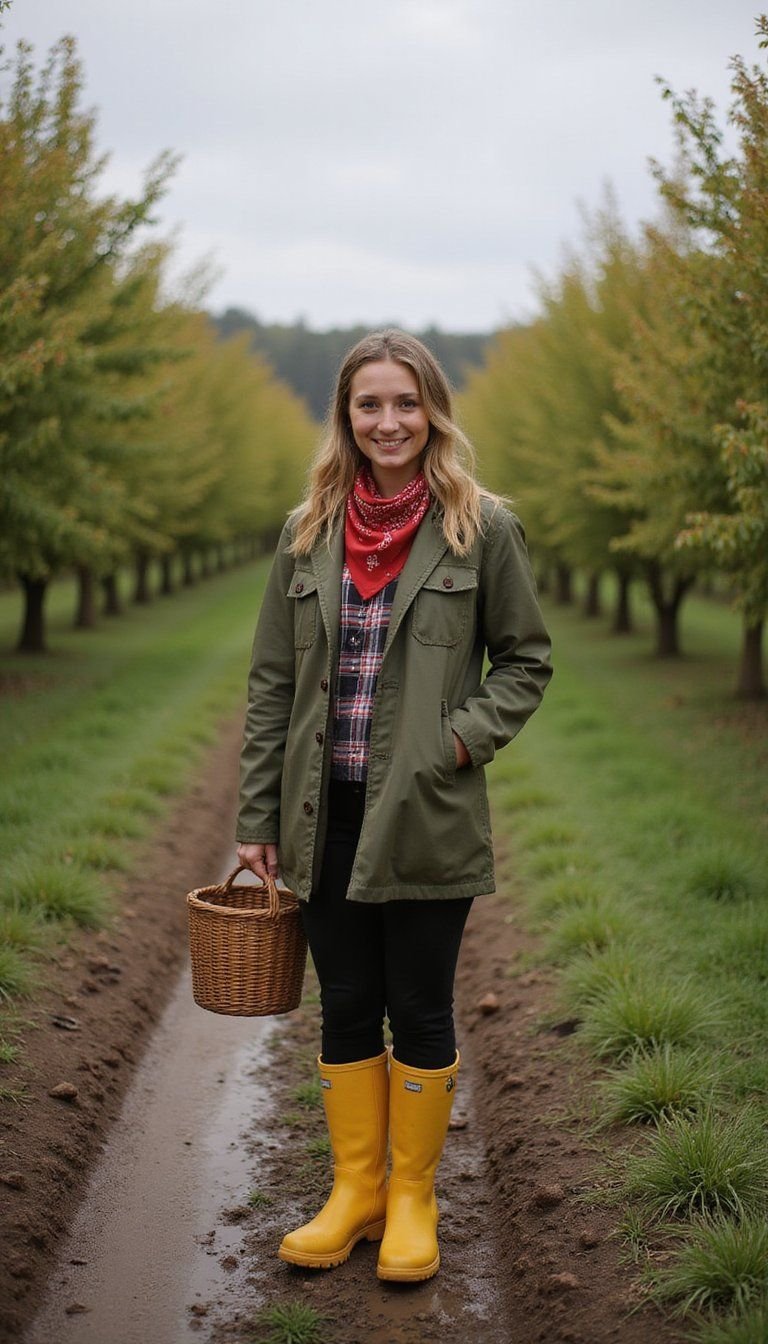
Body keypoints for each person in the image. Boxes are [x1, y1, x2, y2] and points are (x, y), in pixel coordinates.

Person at [236, 328, 552, 1283]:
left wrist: (454, 741)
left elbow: (527, 659)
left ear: (433, 412)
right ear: (346, 416)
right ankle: (355, 1191)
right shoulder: (307, 534)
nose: (388, 422)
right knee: (345, 1003)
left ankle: (414, 1199)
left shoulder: (481, 527)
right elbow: (270, 685)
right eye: (368, 405)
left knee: (417, 1006)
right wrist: (257, 816)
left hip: (425, 812)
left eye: (405, 403)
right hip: (320, 815)